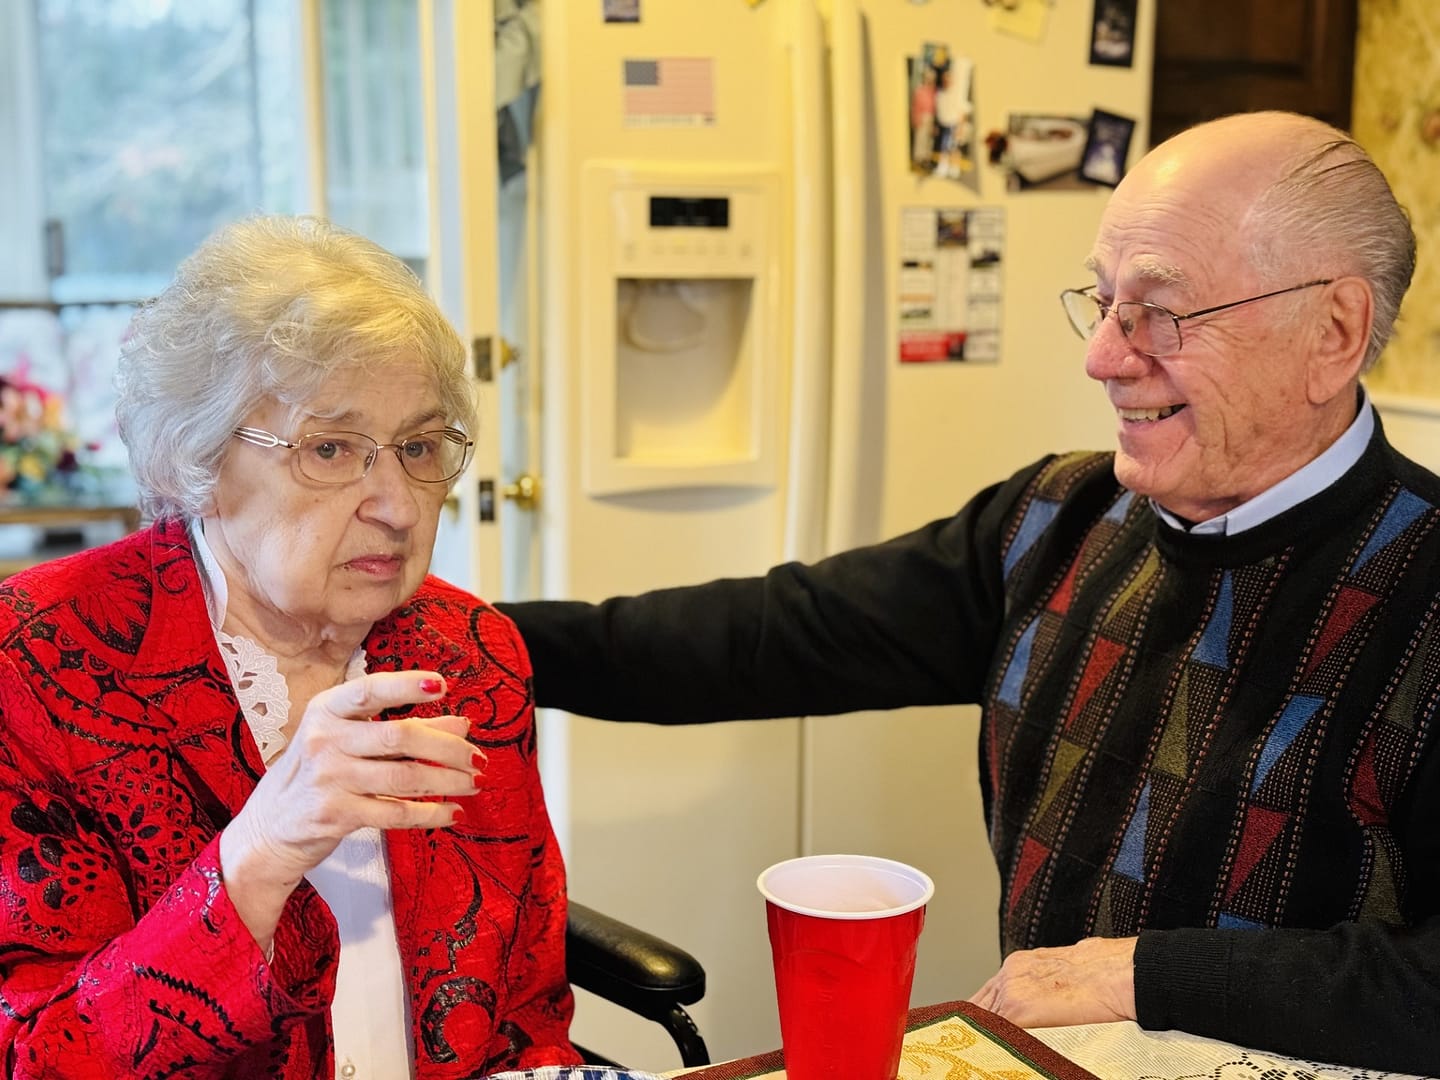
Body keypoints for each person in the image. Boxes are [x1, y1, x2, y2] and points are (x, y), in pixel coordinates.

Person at [500, 111, 1439, 1074]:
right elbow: (770, 637)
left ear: (1334, 332)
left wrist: (1145, 975)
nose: (1104, 357)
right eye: (1104, 301)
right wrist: (475, 641)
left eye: (1161, 312)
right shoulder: (1056, 518)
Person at [0, 216, 580, 1077]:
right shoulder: (38, 656)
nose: (396, 503)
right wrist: (259, 850)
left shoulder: (469, 650)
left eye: (419, 447)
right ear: (197, 455)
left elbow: (529, 1014)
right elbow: (35, 1057)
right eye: (332, 448)